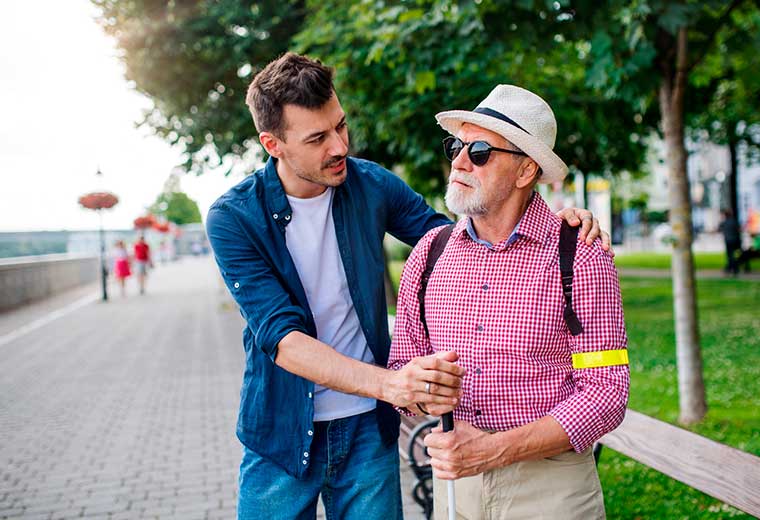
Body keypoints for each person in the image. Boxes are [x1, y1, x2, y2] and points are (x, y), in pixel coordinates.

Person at [205, 54, 609, 519]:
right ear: (272, 144)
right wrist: (394, 384)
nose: (339, 146)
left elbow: (463, 240)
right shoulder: (234, 217)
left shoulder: (371, 184)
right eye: (318, 138)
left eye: (341, 126)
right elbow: (283, 340)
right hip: (280, 430)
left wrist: (561, 226)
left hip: (367, 431)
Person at [389, 84, 630, 520]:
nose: (459, 161)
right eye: (456, 146)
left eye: (480, 151)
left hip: (551, 490)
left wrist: (491, 451)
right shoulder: (429, 252)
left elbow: (606, 393)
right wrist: (421, 390)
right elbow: (401, 371)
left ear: (525, 171)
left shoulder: (581, 253)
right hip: (454, 484)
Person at [720, 209, 741, 275]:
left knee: (730, 255)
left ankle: (730, 267)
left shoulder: (724, 222)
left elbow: (720, 229)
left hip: (728, 241)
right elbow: (738, 230)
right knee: (734, 255)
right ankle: (734, 268)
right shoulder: (734, 221)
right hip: (735, 240)